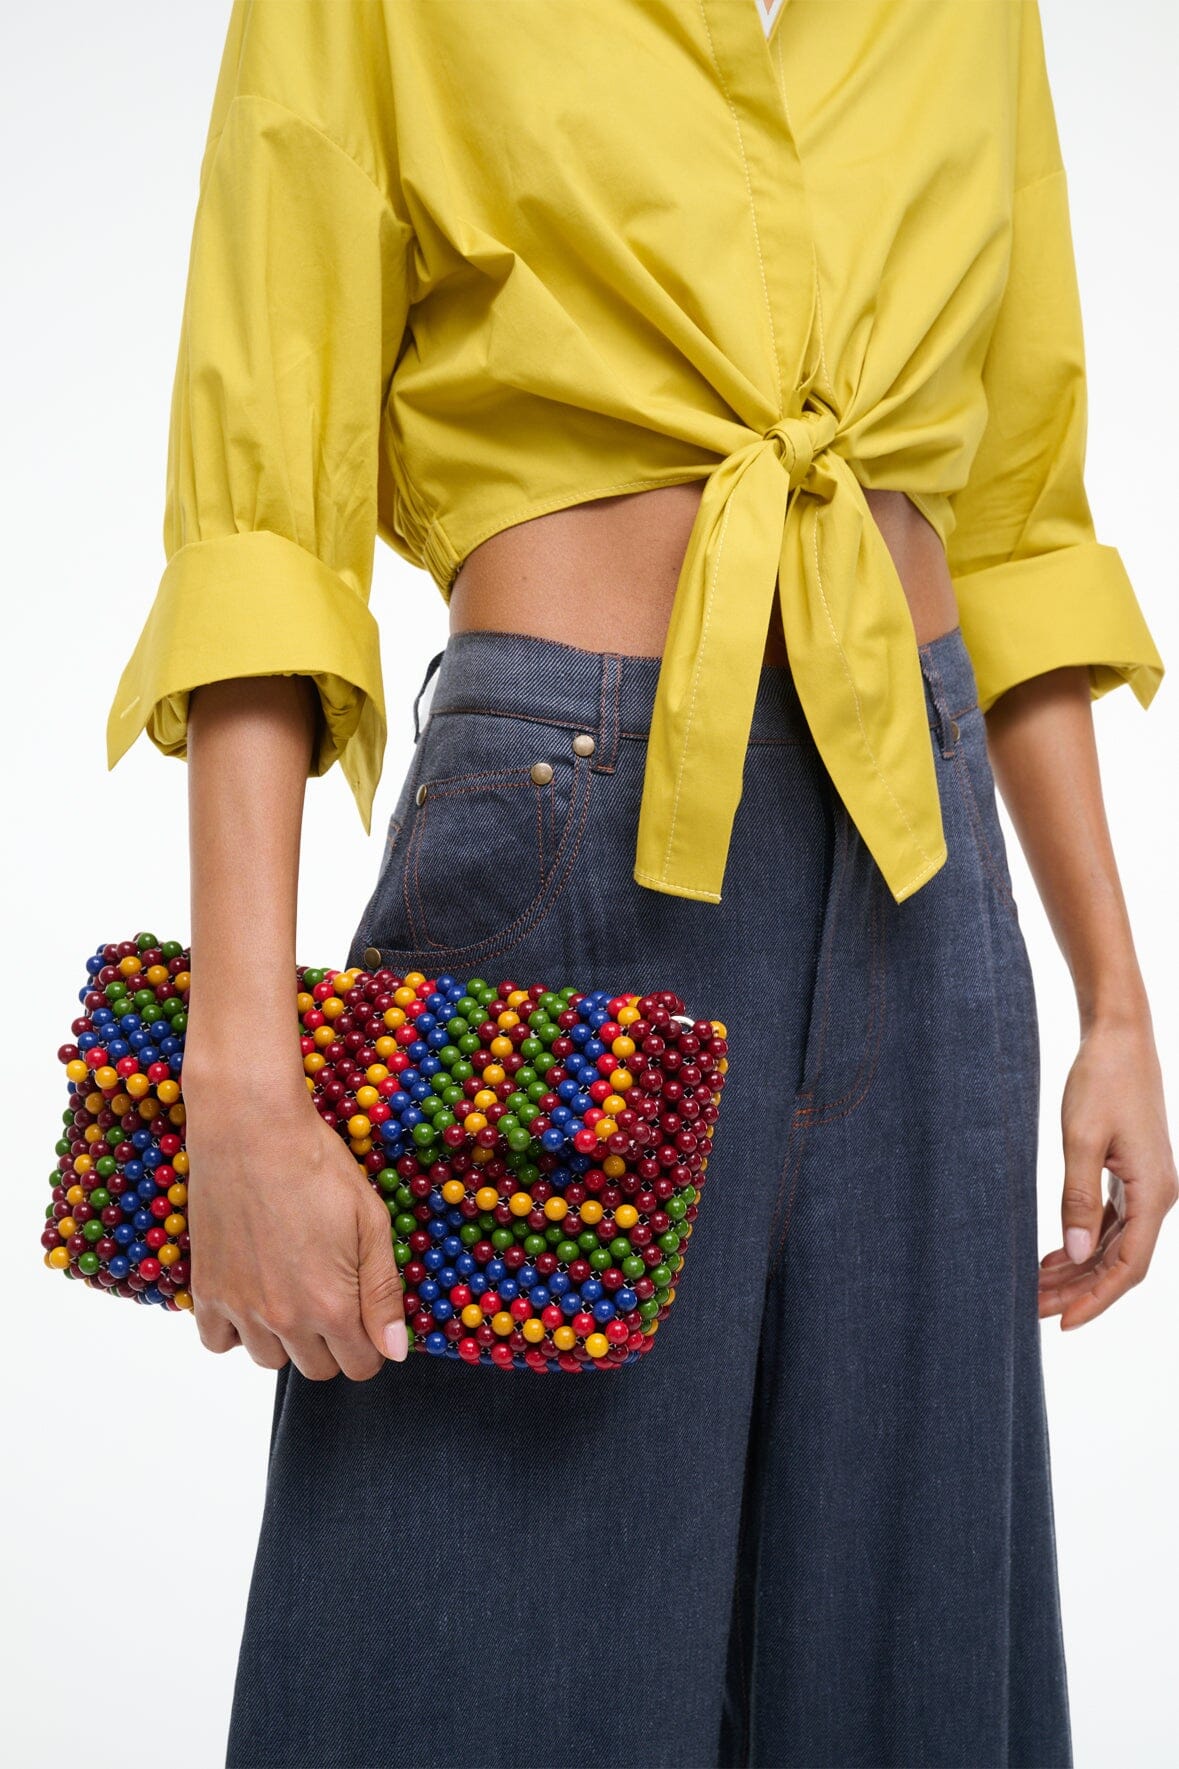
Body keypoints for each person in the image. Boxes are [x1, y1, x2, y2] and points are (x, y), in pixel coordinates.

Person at [105, 2, 1176, 1765]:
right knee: (472, 1676)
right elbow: (263, 516)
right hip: (569, 848)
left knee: (906, 1683)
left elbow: (1014, 514)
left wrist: (1115, 996)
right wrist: (239, 1072)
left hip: (922, 874)